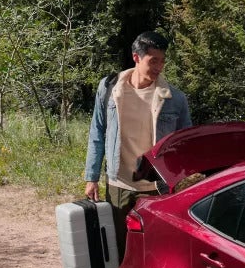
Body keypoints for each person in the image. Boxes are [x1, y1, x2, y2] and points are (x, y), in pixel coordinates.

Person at [82, 31, 193, 238]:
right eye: (153, 61)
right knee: (118, 249)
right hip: (119, 184)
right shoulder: (109, 88)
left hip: (157, 188)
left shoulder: (175, 99)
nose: (159, 67)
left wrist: (183, 184)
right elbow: (97, 132)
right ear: (136, 57)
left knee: (154, 248)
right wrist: (92, 177)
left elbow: (184, 145)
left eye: (162, 61)